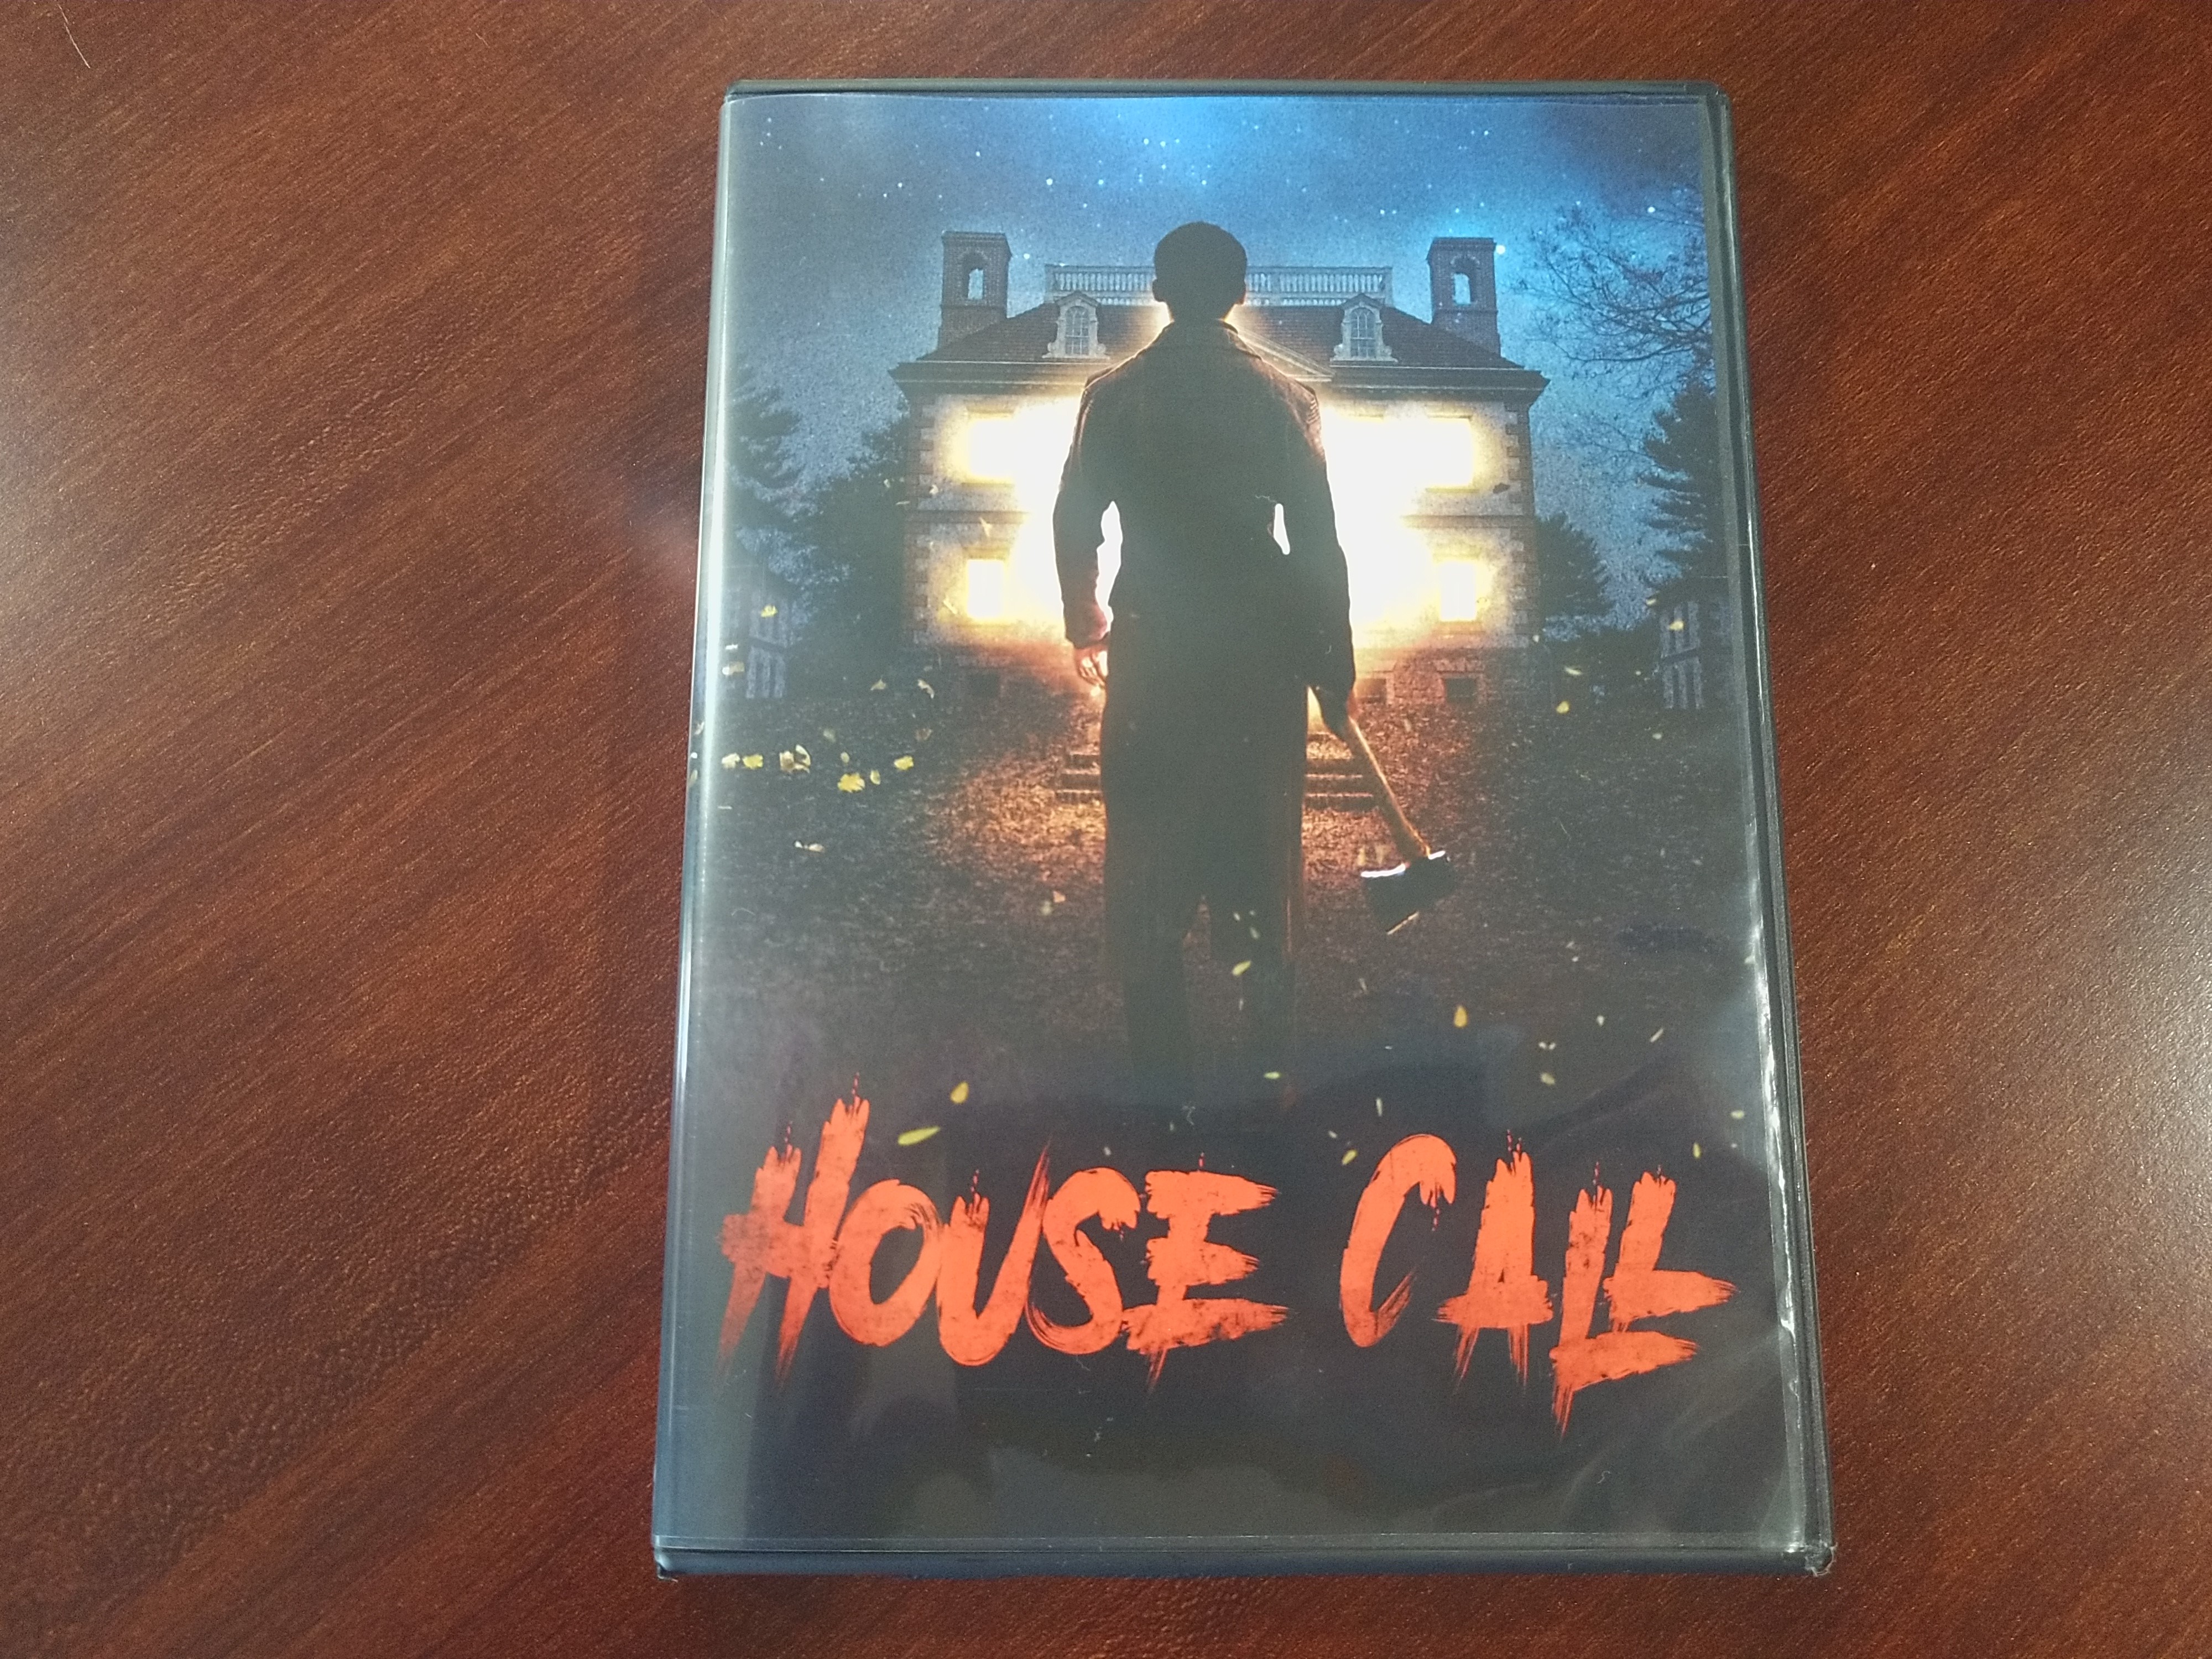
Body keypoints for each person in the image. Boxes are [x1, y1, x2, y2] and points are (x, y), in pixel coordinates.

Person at [1052, 221, 1357, 1097]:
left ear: (1159, 290)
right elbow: (1318, 544)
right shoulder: (1285, 398)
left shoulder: (1113, 395)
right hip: (1260, 660)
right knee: (1261, 853)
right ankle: (1266, 1081)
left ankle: (1164, 1091)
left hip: (1155, 652)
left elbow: (1075, 520)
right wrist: (1331, 666)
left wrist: (1086, 621)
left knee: (1148, 858)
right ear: (1240, 293)